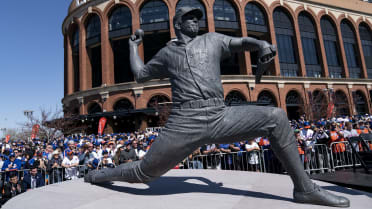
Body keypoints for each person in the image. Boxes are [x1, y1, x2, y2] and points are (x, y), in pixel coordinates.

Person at [85, 7, 349, 207]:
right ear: (178, 23)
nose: (196, 21)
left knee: (277, 117)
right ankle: (99, 175)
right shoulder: (167, 53)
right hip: (184, 121)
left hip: (220, 114)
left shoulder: (211, 39)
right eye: (190, 18)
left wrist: (260, 44)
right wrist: (133, 47)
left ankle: (304, 188)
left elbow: (238, 43)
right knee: (144, 173)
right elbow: (141, 74)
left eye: (197, 17)